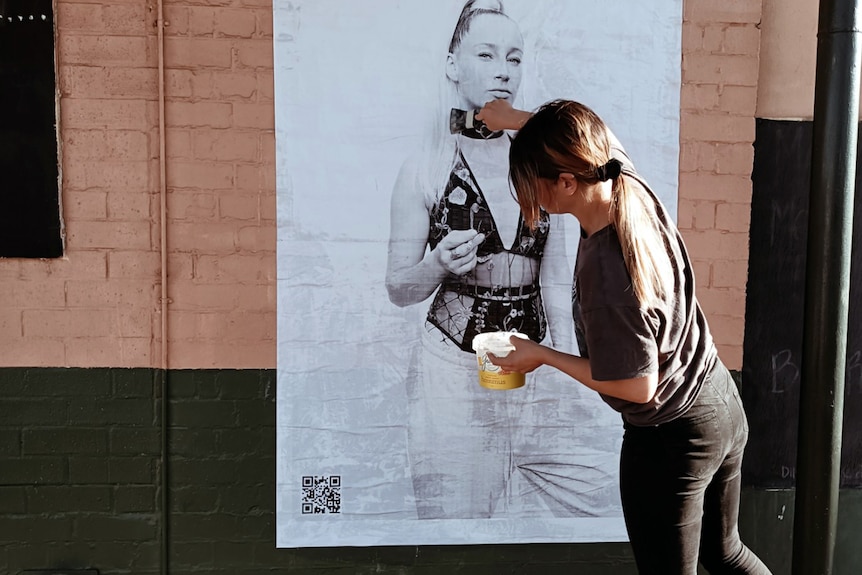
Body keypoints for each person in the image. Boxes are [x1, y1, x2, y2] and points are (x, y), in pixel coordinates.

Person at [480, 99, 773, 574]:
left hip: (671, 437)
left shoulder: (606, 272)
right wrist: (513, 119)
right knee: (727, 554)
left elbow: (637, 385)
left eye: (530, 185)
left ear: (567, 182)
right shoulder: (621, 179)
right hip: (719, 402)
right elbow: (582, 132)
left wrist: (540, 355)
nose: (526, 199)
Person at [385, 1, 613, 520]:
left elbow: (556, 282)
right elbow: (399, 287)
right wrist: (437, 265)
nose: (502, 70)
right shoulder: (425, 166)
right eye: (485, 54)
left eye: (513, 58)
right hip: (452, 371)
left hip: (533, 369)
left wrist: (566, 373)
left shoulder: (541, 163)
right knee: (456, 518)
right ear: (452, 64)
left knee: (592, 490)